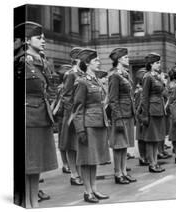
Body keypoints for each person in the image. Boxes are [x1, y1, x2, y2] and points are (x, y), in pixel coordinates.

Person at [16, 21, 58, 208]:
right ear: (26, 40)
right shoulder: (21, 61)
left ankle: (34, 203)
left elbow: (50, 89)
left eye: (43, 37)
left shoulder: (42, 61)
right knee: (28, 165)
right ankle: (27, 202)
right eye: (38, 38)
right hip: (28, 118)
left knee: (36, 166)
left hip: (42, 116)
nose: (43, 40)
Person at [69, 48, 110, 203]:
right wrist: (80, 130)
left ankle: (94, 189)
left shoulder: (95, 80)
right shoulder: (81, 81)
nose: (99, 62)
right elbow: (78, 108)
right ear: (87, 63)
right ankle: (87, 192)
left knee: (94, 159)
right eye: (95, 60)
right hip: (88, 125)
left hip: (98, 123)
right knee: (87, 160)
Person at [108, 48, 137, 184]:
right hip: (120, 114)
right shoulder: (114, 75)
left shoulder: (124, 74)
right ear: (118, 59)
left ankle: (124, 171)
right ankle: (117, 173)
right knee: (118, 145)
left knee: (124, 145)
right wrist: (117, 117)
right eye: (125, 57)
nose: (128, 59)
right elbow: (113, 99)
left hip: (127, 113)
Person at [58, 47, 84, 185]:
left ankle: (79, 172)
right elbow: (66, 96)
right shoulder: (71, 74)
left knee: (79, 145)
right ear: (77, 59)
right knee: (71, 146)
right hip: (73, 115)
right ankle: (74, 174)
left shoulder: (83, 73)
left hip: (82, 114)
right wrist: (72, 115)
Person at [141, 53, 166, 173]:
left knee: (156, 138)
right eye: (157, 63)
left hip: (158, 109)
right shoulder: (147, 77)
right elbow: (144, 97)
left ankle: (155, 162)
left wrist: (162, 80)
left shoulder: (156, 76)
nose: (159, 64)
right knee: (151, 139)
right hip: (151, 110)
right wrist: (145, 115)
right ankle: (151, 164)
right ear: (151, 64)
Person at [134, 68, 149, 166]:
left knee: (145, 138)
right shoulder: (140, 91)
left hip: (144, 117)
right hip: (141, 118)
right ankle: (142, 157)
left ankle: (145, 157)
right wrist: (140, 119)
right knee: (142, 139)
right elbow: (138, 107)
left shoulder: (143, 90)